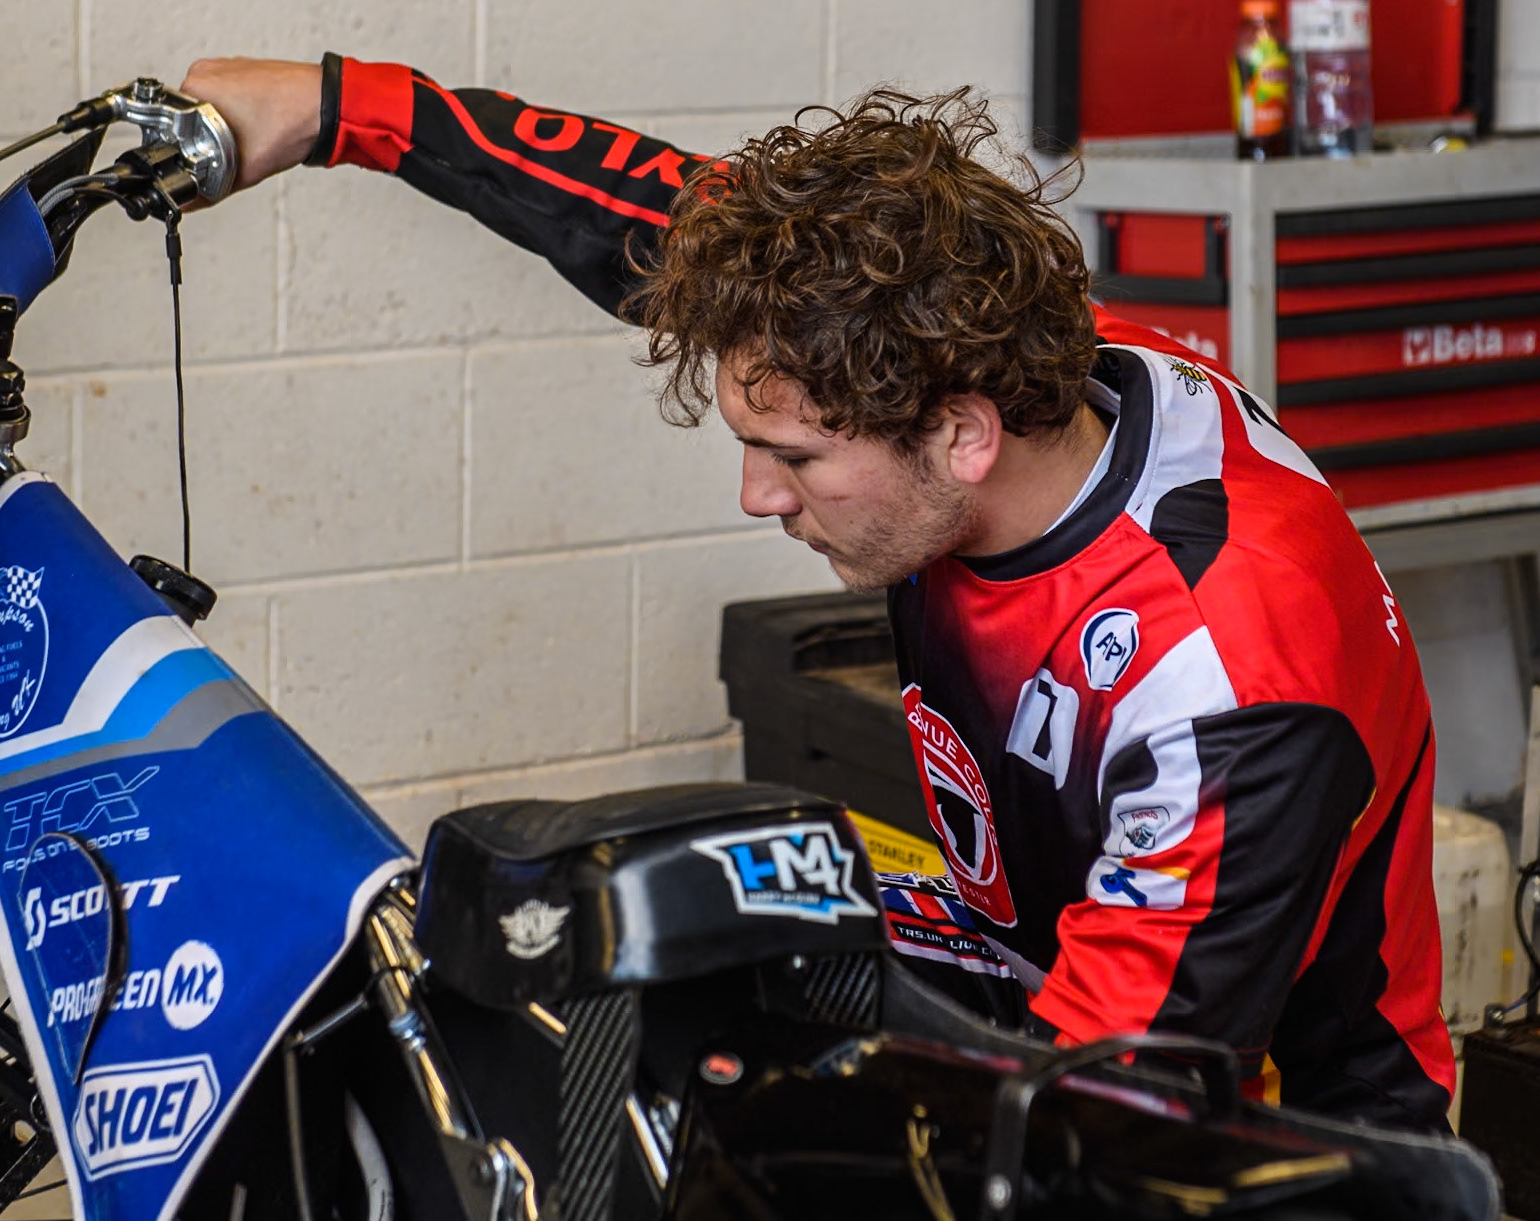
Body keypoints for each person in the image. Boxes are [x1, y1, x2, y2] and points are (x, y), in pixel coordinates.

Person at [177, 53, 1455, 1132]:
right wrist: (342, 106)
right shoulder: (978, 330)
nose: (757, 496)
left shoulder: (1227, 685)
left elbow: (1096, 1124)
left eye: (793, 458)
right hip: (1031, 956)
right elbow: (644, 209)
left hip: (1270, 1128)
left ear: (961, 435)